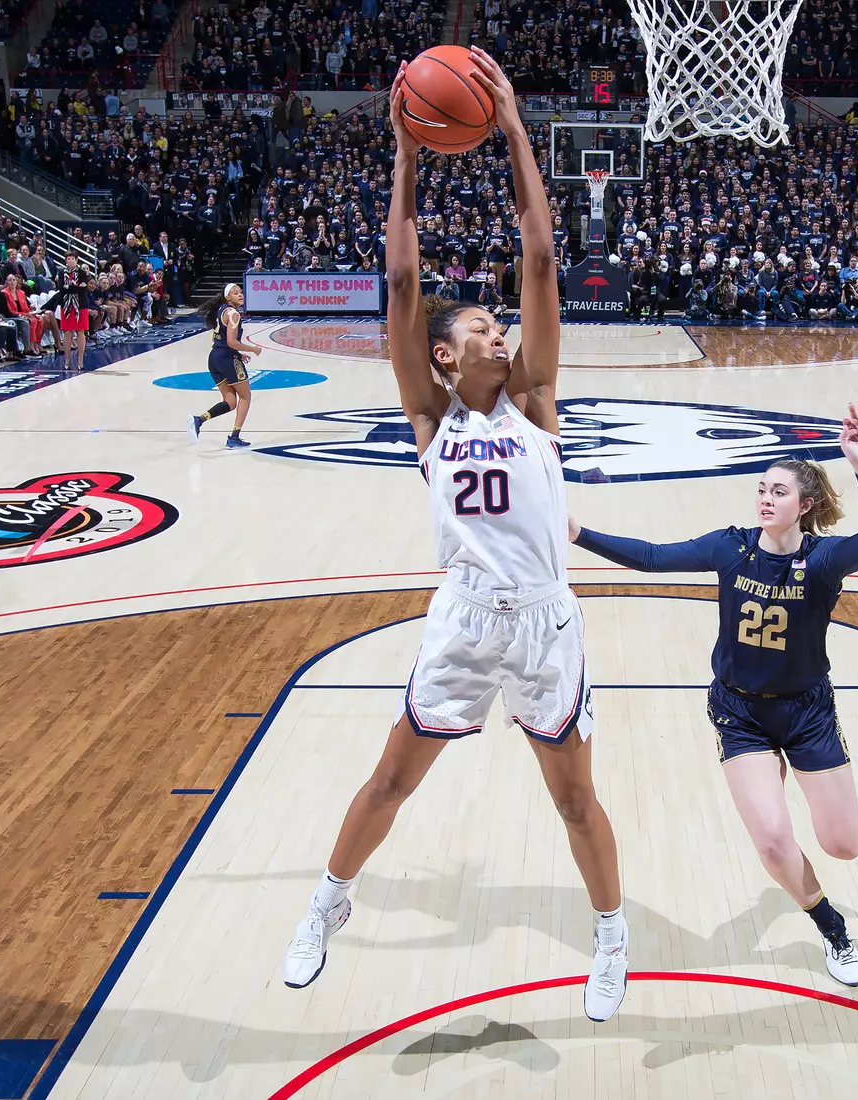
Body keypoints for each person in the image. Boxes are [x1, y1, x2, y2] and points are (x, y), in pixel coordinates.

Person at [282, 49, 630, 1024]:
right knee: (392, 775)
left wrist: (513, 124)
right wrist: (404, 152)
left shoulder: (537, 403)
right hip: (465, 618)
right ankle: (326, 901)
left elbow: (541, 256)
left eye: (500, 324)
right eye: (482, 325)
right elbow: (401, 282)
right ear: (444, 352)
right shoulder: (429, 414)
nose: (500, 332)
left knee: (573, 799)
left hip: (545, 623)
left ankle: (610, 937)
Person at [569, 405, 858, 986]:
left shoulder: (822, 562)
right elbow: (651, 558)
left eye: (779, 491)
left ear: (806, 505)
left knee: (841, 844)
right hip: (740, 712)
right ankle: (831, 926)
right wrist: (579, 534)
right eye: (761, 488)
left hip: (806, 713)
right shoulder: (730, 547)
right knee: (773, 842)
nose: (765, 498)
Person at [187, 283, 263, 449]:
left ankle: (199, 420)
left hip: (214, 358)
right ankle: (234, 437)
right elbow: (232, 342)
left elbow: (219, 339)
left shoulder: (221, 310)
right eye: (235, 293)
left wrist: (238, 353)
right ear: (228, 297)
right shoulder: (233, 314)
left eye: (241, 292)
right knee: (245, 397)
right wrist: (253, 349)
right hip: (227, 359)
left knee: (230, 401)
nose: (240, 295)